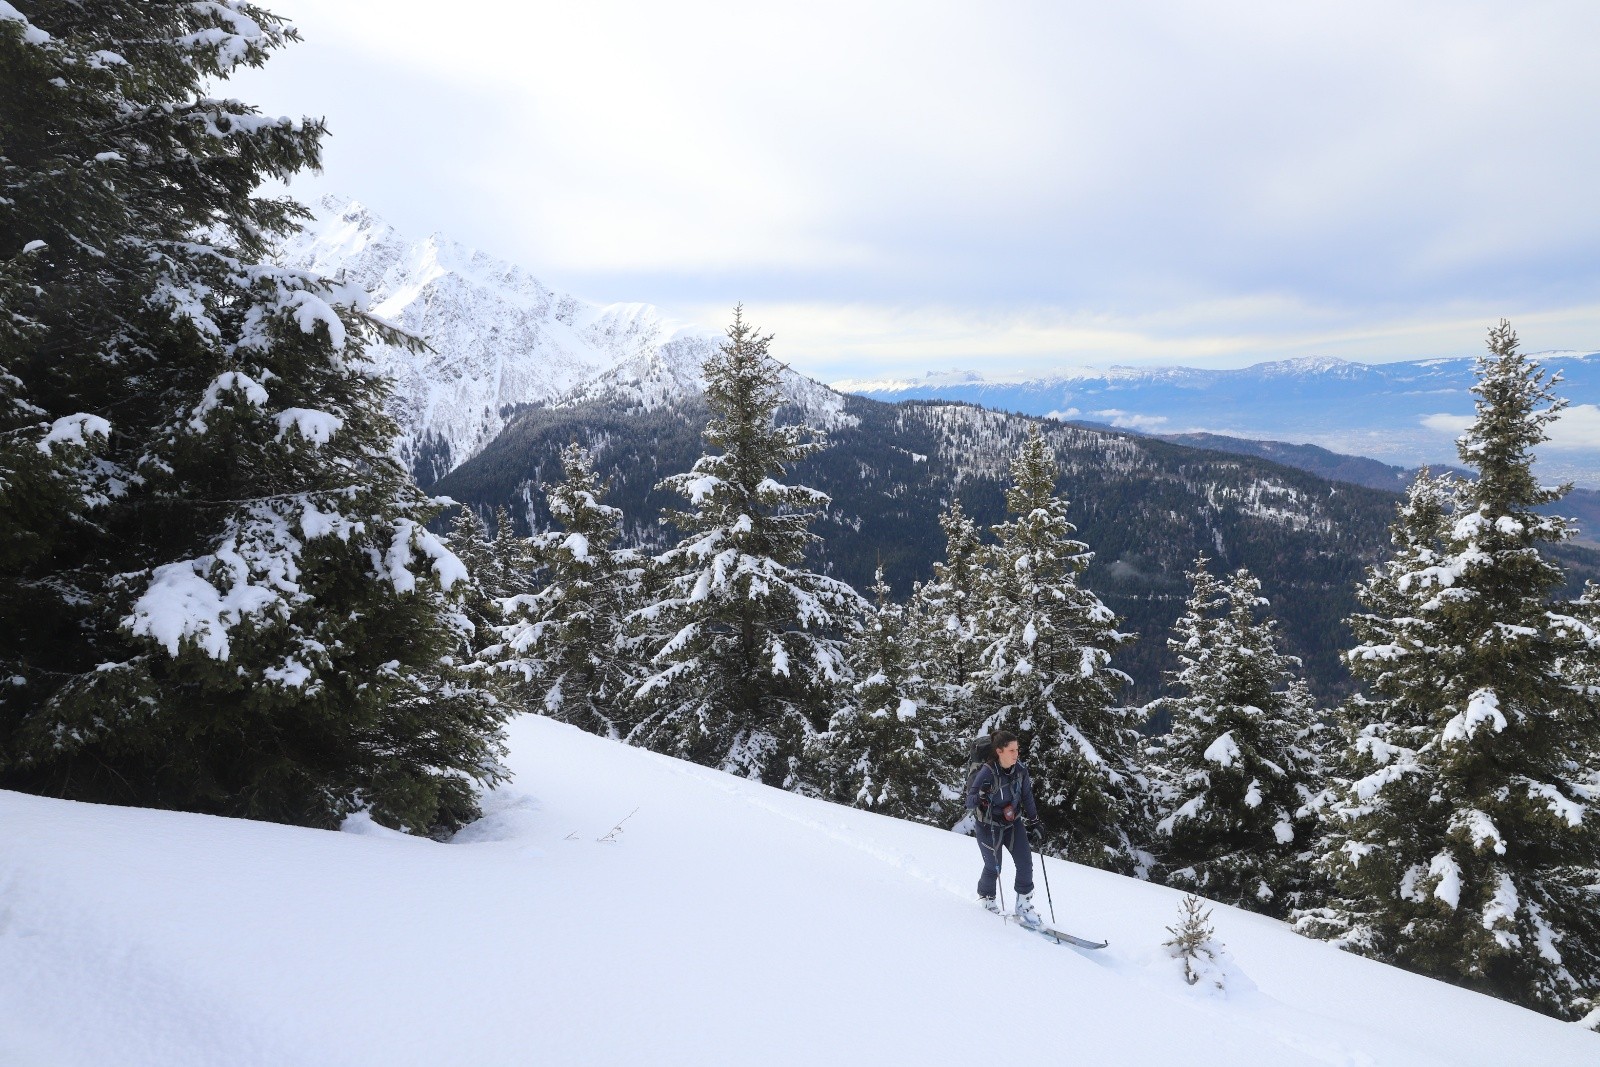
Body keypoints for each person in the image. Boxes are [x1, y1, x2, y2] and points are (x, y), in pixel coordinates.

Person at [966, 731, 1044, 927]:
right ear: (999, 751)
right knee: (994, 866)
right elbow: (969, 801)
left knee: (1025, 861)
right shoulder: (986, 772)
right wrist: (981, 795)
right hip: (988, 825)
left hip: (1012, 822)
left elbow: (1027, 796)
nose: (1016, 754)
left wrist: (1035, 822)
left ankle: (1024, 905)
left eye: (1017, 749)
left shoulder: (1020, 770)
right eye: (1011, 750)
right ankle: (987, 898)